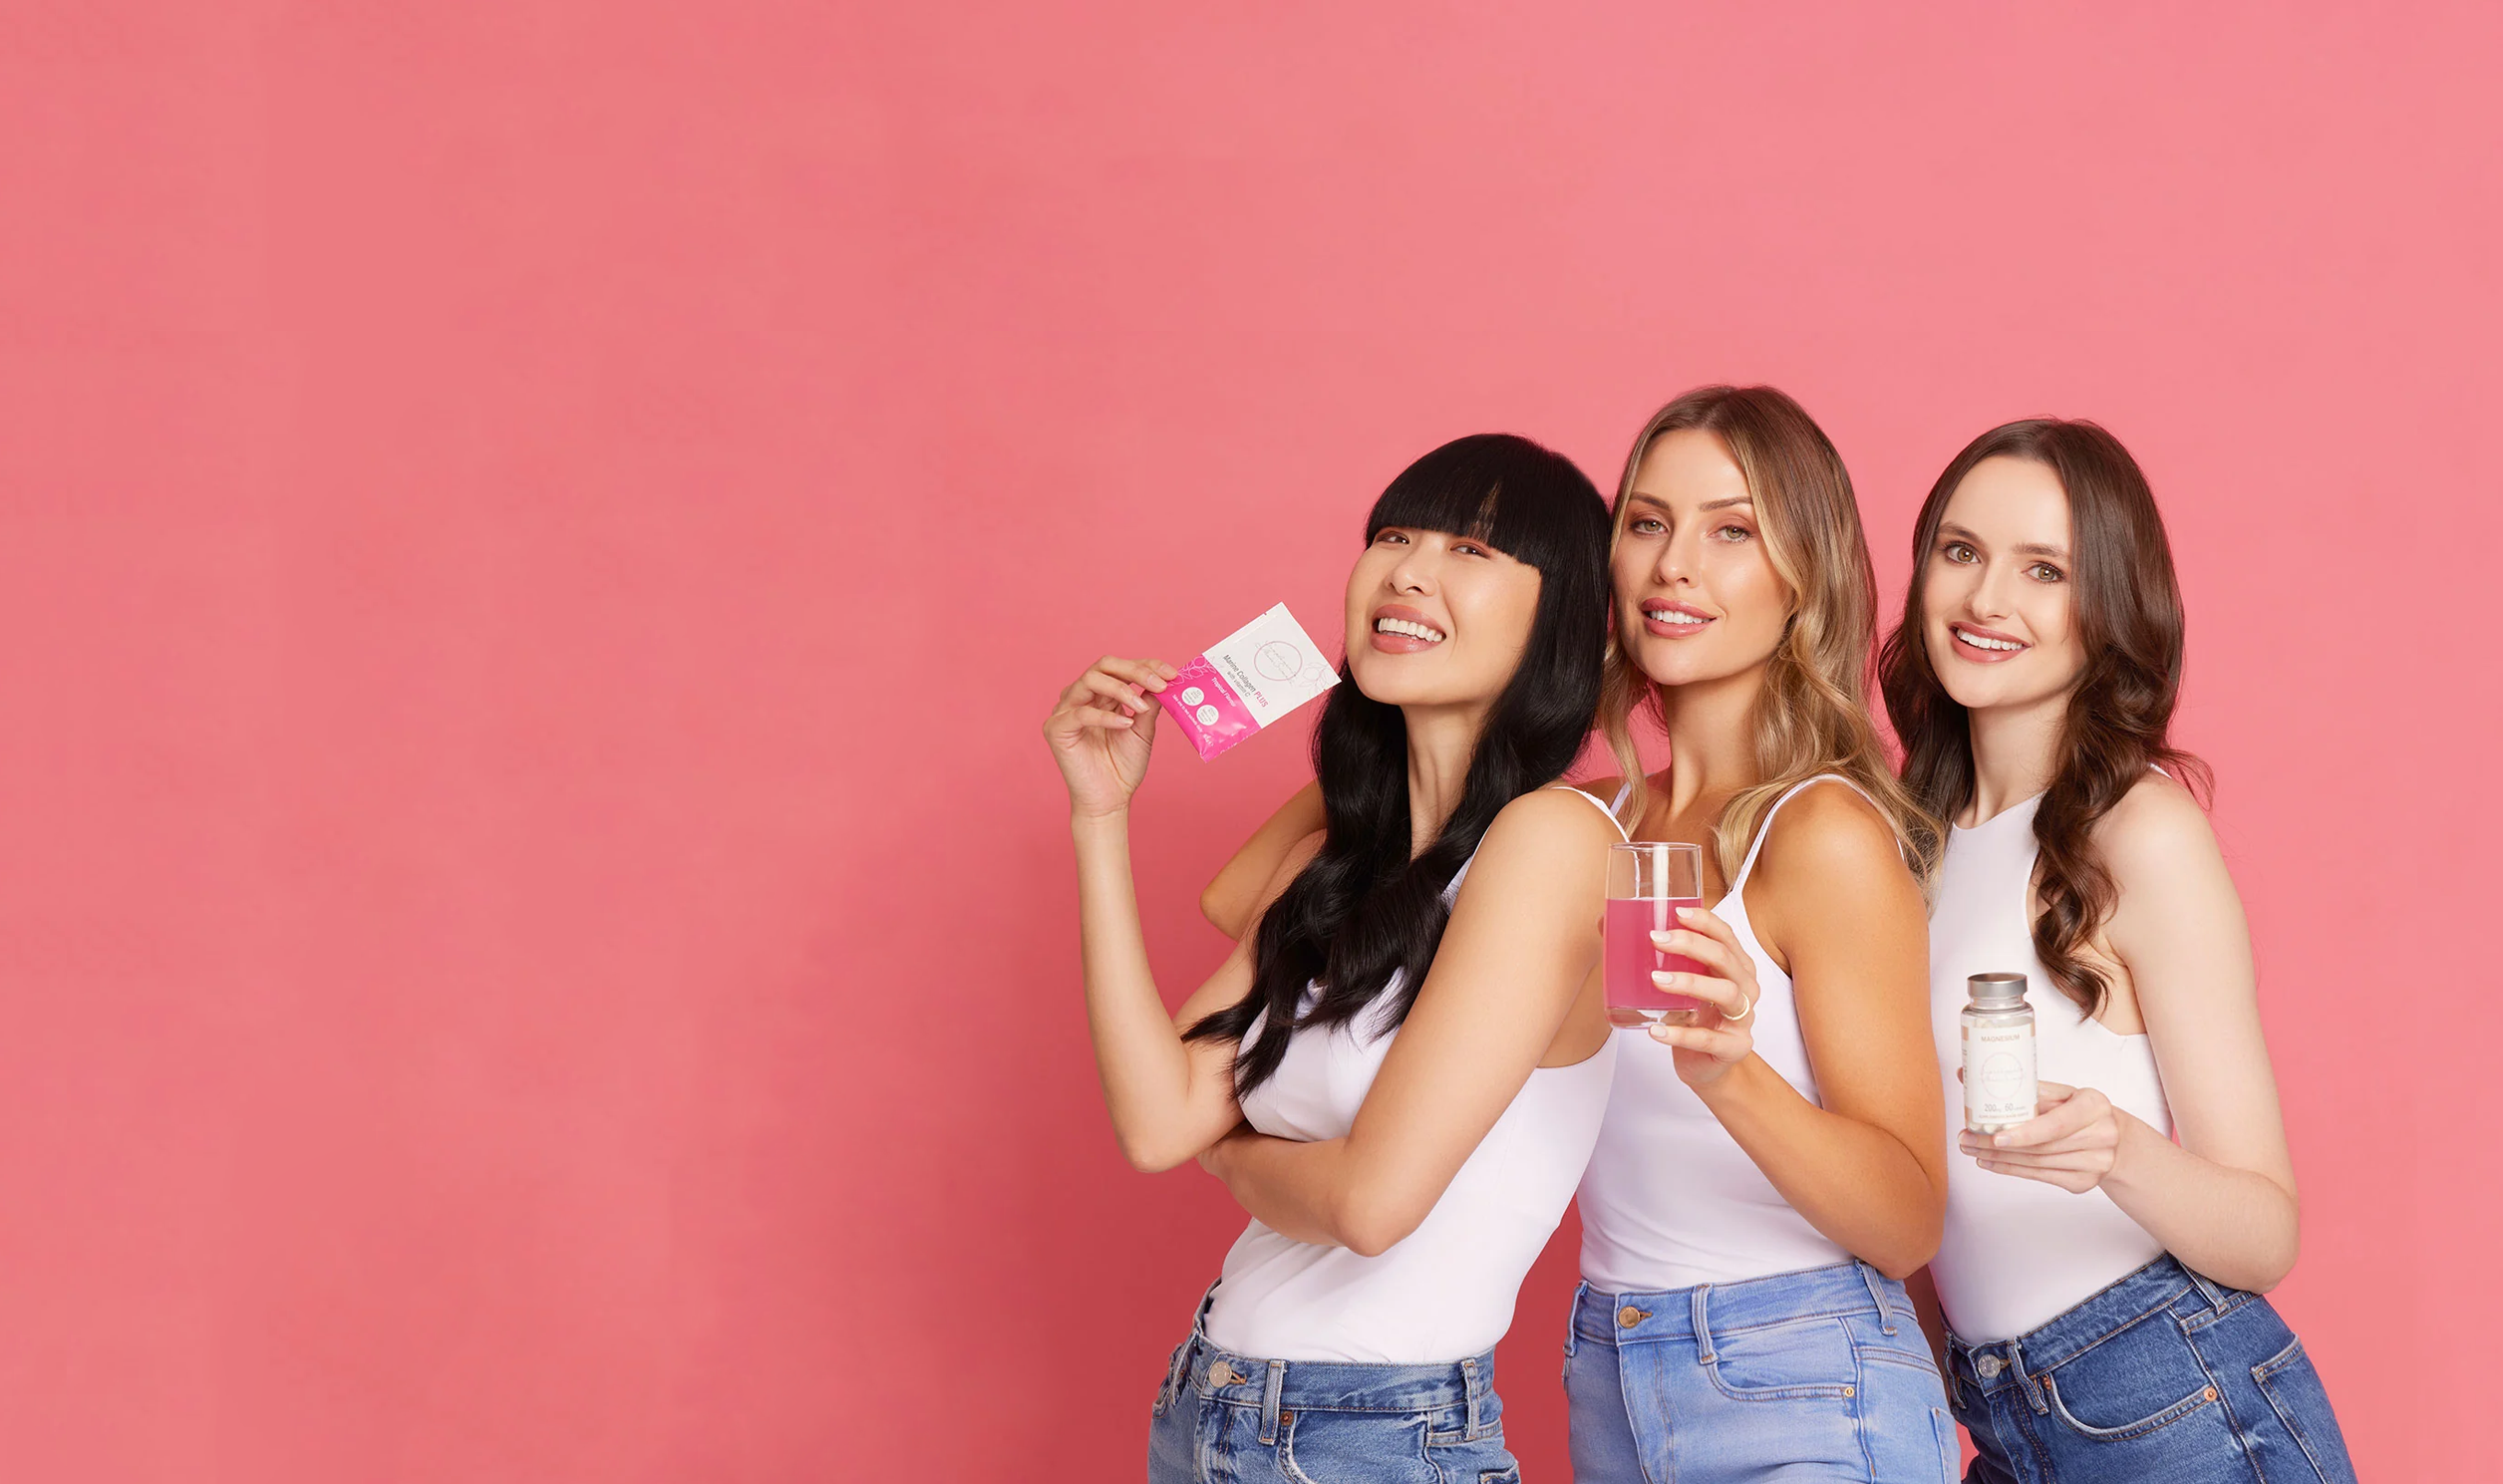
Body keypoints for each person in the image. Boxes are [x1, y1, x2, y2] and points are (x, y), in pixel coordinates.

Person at [1204, 388, 1959, 1482]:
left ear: (1806, 580)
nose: (1673, 565)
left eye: (1731, 530)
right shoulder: (1573, 821)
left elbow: (1907, 1221)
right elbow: (1241, 906)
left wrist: (1733, 1074)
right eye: (1646, 524)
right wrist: (1387, 692)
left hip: (1802, 1370)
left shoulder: (1821, 832)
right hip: (1612, 1371)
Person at [1044, 433, 1621, 1480]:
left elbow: (1369, 1205)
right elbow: (1155, 1114)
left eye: (1471, 551)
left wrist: (1227, 1152)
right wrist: (1099, 817)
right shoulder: (1340, 865)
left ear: (1562, 620)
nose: (1407, 568)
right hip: (1207, 1408)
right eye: (1393, 535)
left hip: (1373, 1435)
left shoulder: (1555, 841)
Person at [1880, 419, 2356, 1483]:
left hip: (2174, 1399)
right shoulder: (1902, 838)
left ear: (2107, 609)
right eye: (1959, 552)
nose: (1985, 599)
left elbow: (2262, 1227)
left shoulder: (2139, 833)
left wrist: (2118, 1151)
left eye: (2043, 569)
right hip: (1998, 1415)